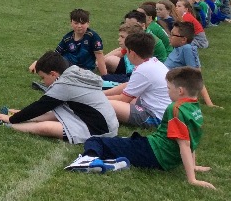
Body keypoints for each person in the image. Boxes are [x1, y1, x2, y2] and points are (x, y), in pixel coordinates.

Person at [65, 67, 215, 189]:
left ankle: (88, 160)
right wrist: (193, 166)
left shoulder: (175, 109)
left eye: (168, 88)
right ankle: (112, 160)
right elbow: (191, 139)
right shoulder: (195, 109)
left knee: (95, 141)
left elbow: (185, 144)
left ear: (180, 91)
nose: (167, 91)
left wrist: (192, 179)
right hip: (161, 153)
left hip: (153, 153)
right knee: (121, 143)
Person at [0, 51, 118, 144]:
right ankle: (14, 114)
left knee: (46, 128)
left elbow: (40, 106)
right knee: (56, 112)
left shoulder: (65, 84)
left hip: (100, 130)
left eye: (43, 78)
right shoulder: (72, 71)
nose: (43, 82)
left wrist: (11, 120)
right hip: (100, 121)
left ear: (53, 74)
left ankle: (7, 124)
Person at [102, 32, 171, 128]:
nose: (126, 54)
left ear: (133, 53)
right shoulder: (153, 62)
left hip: (156, 116)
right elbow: (128, 85)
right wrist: (102, 94)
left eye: (126, 51)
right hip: (157, 108)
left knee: (105, 104)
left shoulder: (143, 69)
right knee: (111, 99)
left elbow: (123, 99)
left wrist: (98, 98)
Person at [29, 8, 108, 76]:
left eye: (82, 23)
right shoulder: (67, 38)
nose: (79, 26)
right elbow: (55, 54)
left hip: (86, 69)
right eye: (76, 23)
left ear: (88, 24)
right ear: (71, 23)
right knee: (58, 61)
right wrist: (38, 63)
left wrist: (105, 77)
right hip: (68, 66)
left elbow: (100, 57)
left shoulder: (93, 37)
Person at [165, 22, 217, 107]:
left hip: (171, 86)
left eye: (172, 35)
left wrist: (209, 103)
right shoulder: (177, 47)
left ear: (183, 39)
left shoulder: (187, 49)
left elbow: (196, 76)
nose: (169, 37)